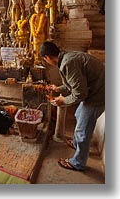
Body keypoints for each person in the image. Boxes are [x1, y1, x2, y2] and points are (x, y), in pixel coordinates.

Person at [40, 41, 105, 171]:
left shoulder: (68, 63)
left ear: (47, 57)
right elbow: (76, 82)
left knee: (82, 131)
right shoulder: (65, 56)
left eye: (44, 60)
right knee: (78, 114)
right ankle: (76, 143)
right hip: (94, 89)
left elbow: (80, 93)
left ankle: (78, 163)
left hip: (98, 95)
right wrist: (59, 88)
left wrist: (63, 100)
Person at [29, 0, 50, 65]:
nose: (38, 8)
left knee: (42, 50)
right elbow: (31, 29)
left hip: (42, 36)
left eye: (40, 7)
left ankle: (42, 61)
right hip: (35, 36)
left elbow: (47, 29)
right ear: (35, 8)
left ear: (42, 8)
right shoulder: (33, 18)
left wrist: (47, 37)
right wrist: (31, 37)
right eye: (37, 7)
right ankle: (36, 60)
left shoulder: (45, 18)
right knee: (35, 51)